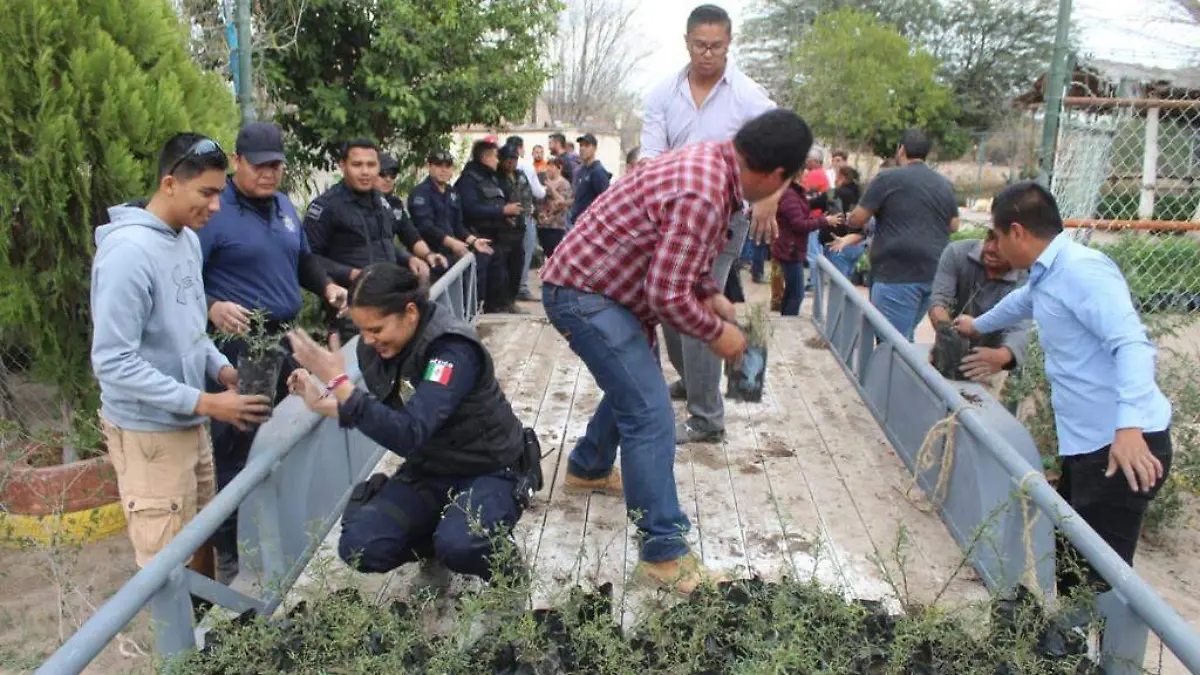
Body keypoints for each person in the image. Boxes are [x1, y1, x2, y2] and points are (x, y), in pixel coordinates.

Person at [541, 109, 814, 595]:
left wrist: (710, 292)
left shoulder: (714, 164)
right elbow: (667, 296)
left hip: (613, 291)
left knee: (634, 383)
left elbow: (679, 255)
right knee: (650, 412)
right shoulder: (705, 192)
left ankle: (588, 468)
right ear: (777, 176)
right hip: (587, 293)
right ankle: (663, 553)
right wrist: (717, 333)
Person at [953, 182, 1172, 594]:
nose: (995, 246)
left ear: (1017, 231)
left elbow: (1132, 345)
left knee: (1097, 579)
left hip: (1123, 447)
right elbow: (1023, 303)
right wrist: (977, 325)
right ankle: (1071, 650)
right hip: (1088, 446)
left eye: (997, 235)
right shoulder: (1048, 274)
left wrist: (1128, 430)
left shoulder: (1082, 270)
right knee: (1071, 560)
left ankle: (1098, 654)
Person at [90, 133, 271, 583]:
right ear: (169, 184)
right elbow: (112, 362)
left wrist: (222, 371)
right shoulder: (127, 254)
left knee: (200, 538)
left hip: (190, 421)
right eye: (205, 193)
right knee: (167, 566)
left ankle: (205, 643)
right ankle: (179, 654)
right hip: (150, 436)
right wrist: (207, 402)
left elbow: (191, 332)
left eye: (219, 194)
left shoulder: (186, 239)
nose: (214, 207)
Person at [285, 263, 536, 585]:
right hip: (430, 468)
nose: (368, 339)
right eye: (361, 330)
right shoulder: (374, 349)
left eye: (376, 330)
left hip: (488, 468)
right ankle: (434, 546)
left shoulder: (452, 350)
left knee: (462, 543)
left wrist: (340, 383)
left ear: (410, 311)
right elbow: (390, 412)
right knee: (360, 546)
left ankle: (507, 570)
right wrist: (322, 401)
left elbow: (410, 433)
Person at [197, 122, 349, 583]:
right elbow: (180, 281)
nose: (269, 173)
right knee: (238, 443)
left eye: (276, 165)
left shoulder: (283, 206)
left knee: (293, 430)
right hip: (239, 344)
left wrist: (326, 286)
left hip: (284, 337)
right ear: (237, 163)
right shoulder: (213, 211)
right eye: (259, 165)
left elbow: (302, 259)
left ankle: (284, 528)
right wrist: (211, 306)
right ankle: (232, 551)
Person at [639, 3, 778, 443]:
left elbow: (783, 146)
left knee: (695, 306)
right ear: (687, 42)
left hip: (724, 220)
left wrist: (770, 199)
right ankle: (691, 379)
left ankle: (707, 417)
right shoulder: (663, 93)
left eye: (716, 46)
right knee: (665, 304)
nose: (707, 54)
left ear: (729, 44)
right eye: (700, 45)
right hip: (672, 220)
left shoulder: (750, 97)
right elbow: (650, 158)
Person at [304, 139, 439, 341]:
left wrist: (409, 259)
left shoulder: (381, 202)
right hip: (354, 311)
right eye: (357, 165)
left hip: (391, 304)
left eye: (371, 165)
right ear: (342, 165)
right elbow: (308, 259)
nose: (365, 172)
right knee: (359, 370)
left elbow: (383, 243)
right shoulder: (326, 207)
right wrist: (352, 274)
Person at [847, 129, 959, 341]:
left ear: (901, 150)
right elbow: (954, 225)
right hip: (933, 272)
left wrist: (850, 218)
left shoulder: (887, 178)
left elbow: (858, 219)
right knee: (904, 339)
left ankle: (893, 375)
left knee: (892, 345)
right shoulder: (943, 183)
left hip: (896, 274)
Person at [928, 226, 1030, 395]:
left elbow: (1021, 329)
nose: (989, 248)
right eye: (989, 238)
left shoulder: (1028, 279)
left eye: (1000, 244)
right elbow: (939, 301)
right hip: (946, 355)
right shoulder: (956, 253)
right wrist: (949, 336)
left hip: (989, 369)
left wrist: (1002, 357)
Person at [457, 139, 523, 313]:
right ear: (485, 157)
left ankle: (498, 308)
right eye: (495, 156)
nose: (498, 160)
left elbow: (494, 204)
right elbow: (470, 209)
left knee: (499, 283)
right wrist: (502, 211)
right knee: (479, 287)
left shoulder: (491, 178)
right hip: (478, 238)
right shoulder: (469, 179)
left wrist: (505, 216)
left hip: (497, 238)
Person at [408, 149, 493, 261]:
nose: (443, 170)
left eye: (447, 166)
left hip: (452, 254)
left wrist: (473, 241)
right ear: (429, 166)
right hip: (430, 255)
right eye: (438, 165)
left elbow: (458, 226)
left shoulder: (453, 192)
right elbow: (426, 227)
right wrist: (452, 243)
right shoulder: (420, 193)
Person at [774, 176, 840, 316]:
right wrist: (824, 221)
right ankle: (788, 324)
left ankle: (785, 319)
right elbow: (798, 224)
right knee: (797, 293)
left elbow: (801, 219)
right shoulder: (790, 195)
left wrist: (820, 219)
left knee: (791, 291)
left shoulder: (793, 193)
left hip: (791, 248)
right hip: (790, 249)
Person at [376, 152, 448, 271]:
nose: (388, 179)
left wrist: (428, 255)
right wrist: (409, 258)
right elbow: (380, 245)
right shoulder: (361, 203)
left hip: (389, 265)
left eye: (392, 175)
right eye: (382, 174)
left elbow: (411, 235)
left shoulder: (395, 204)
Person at [504, 136, 546, 302]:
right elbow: (538, 192)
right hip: (523, 216)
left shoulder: (501, 165)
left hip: (505, 217)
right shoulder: (526, 166)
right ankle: (521, 287)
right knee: (525, 252)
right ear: (520, 149)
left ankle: (508, 288)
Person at [822, 166, 866, 279]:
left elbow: (815, 202)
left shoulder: (835, 193)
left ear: (841, 177)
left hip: (839, 243)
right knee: (848, 285)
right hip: (857, 244)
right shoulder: (861, 194)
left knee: (838, 286)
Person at [535, 156, 573, 258]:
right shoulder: (543, 182)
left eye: (552, 166)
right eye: (548, 166)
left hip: (556, 227)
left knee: (554, 256)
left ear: (559, 168)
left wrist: (552, 189)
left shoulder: (565, 183)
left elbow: (563, 203)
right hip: (542, 225)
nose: (548, 169)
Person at [568, 133, 611, 224]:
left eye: (587, 145)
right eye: (581, 145)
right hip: (576, 222)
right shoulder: (580, 170)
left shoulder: (598, 171)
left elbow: (606, 201)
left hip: (590, 225)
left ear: (594, 148)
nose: (582, 149)